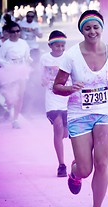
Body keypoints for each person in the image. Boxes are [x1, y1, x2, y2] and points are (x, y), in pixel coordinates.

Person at [53, 10, 108, 207]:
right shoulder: (71, 56)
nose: (92, 31)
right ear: (81, 31)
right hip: (79, 114)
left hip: (106, 112)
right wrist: (69, 88)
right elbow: (56, 87)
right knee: (86, 169)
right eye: (87, 28)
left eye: (96, 27)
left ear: (101, 29)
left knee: (102, 163)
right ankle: (75, 172)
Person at [40, 30, 69, 177]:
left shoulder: (69, 58)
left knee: (65, 132)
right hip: (52, 98)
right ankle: (61, 165)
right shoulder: (44, 58)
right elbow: (42, 77)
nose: (60, 49)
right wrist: (43, 80)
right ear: (50, 45)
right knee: (57, 127)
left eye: (63, 45)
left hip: (67, 98)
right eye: (57, 46)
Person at [0, 20, 32, 129]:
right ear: (9, 33)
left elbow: (27, 56)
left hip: (21, 72)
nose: (15, 33)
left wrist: (28, 63)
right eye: (13, 32)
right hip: (10, 73)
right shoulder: (6, 45)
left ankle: (15, 119)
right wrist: (10, 66)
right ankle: (9, 107)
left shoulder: (24, 43)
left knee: (20, 96)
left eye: (17, 31)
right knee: (11, 97)